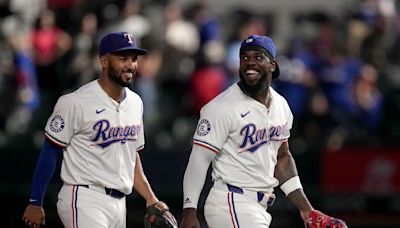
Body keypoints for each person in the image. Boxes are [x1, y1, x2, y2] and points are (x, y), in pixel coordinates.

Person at [180, 34, 347, 228]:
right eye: (244, 58)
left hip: (260, 207)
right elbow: (198, 160)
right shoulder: (220, 107)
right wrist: (189, 212)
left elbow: (282, 158)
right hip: (231, 202)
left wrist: (307, 210)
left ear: (272, 65)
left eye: (258, 57)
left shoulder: (281, 105)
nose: (249, 63)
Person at [22, 32, 176, 228]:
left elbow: (131, 157)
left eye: (133, 59)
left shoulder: (136, 102)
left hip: (120, 203)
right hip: (84, 196)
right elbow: (50, 151)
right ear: (103, 61)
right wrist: (36, 202)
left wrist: (151, 198)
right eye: (122, 58)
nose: (130, 65)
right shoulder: (76, 102)